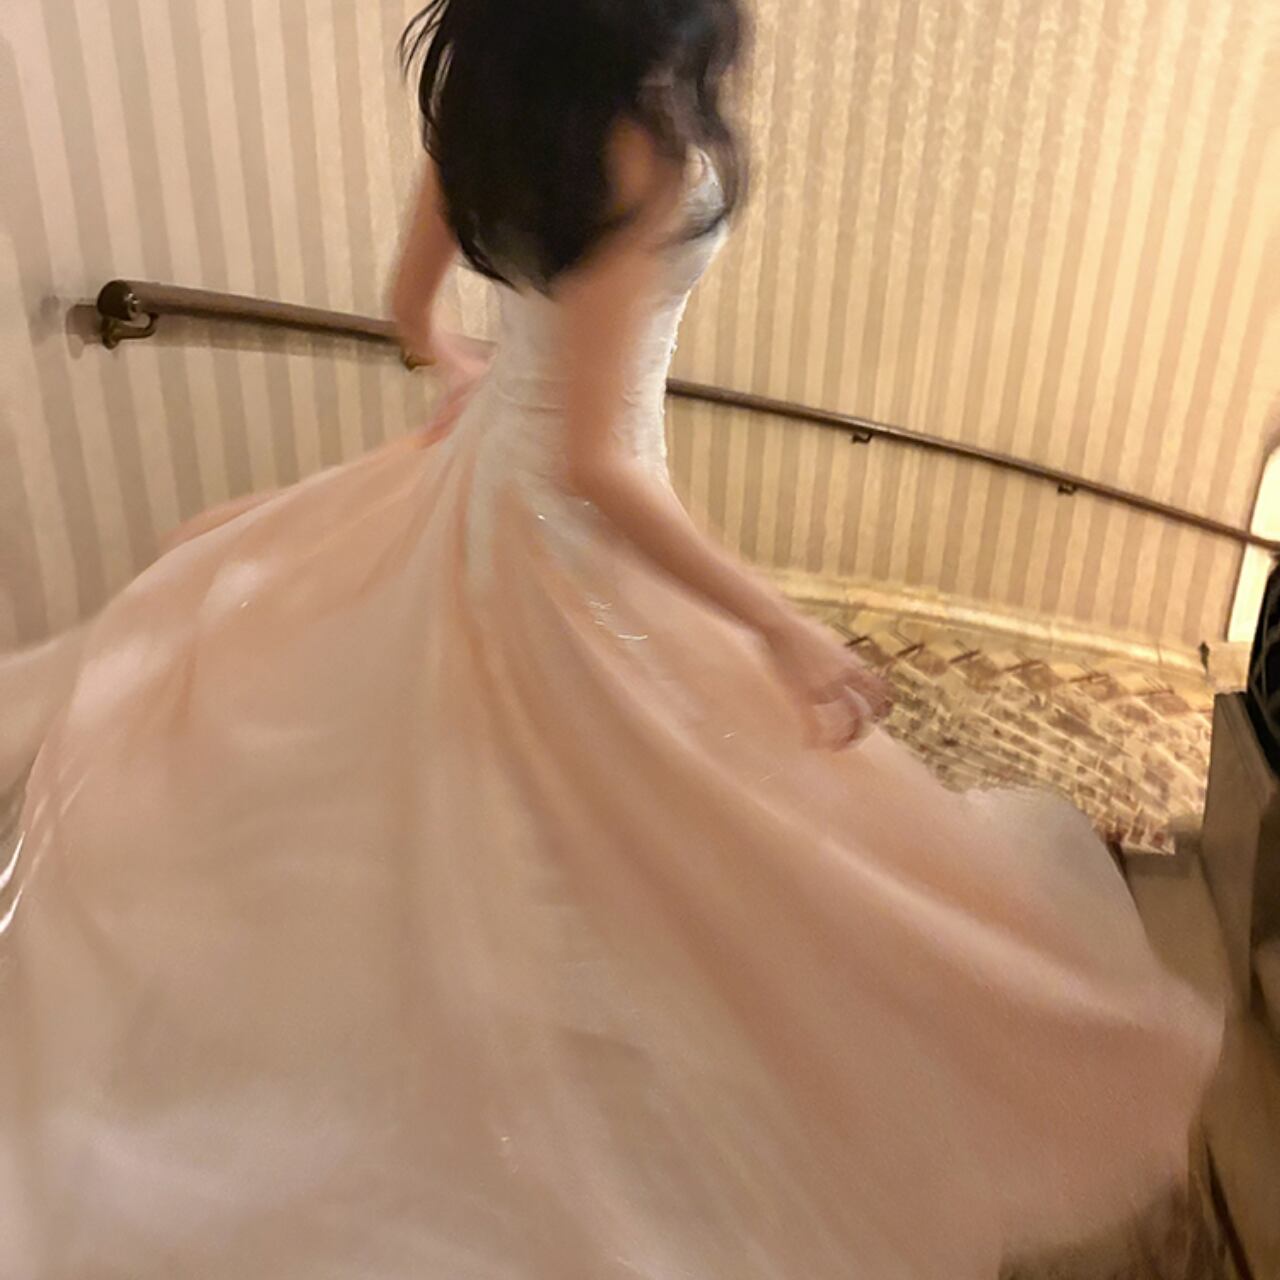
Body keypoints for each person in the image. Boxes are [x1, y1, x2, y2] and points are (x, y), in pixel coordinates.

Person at [0, 1, 1220, 1276]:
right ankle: (583, 1065)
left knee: (519, 787)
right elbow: (595, 464)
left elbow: (409, 307)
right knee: (680, 801)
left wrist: (465, 371)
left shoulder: (492, 96)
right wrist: (777, 624)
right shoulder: (642, 153)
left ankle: (522, 1012)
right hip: (575, 537)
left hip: (481, 491)